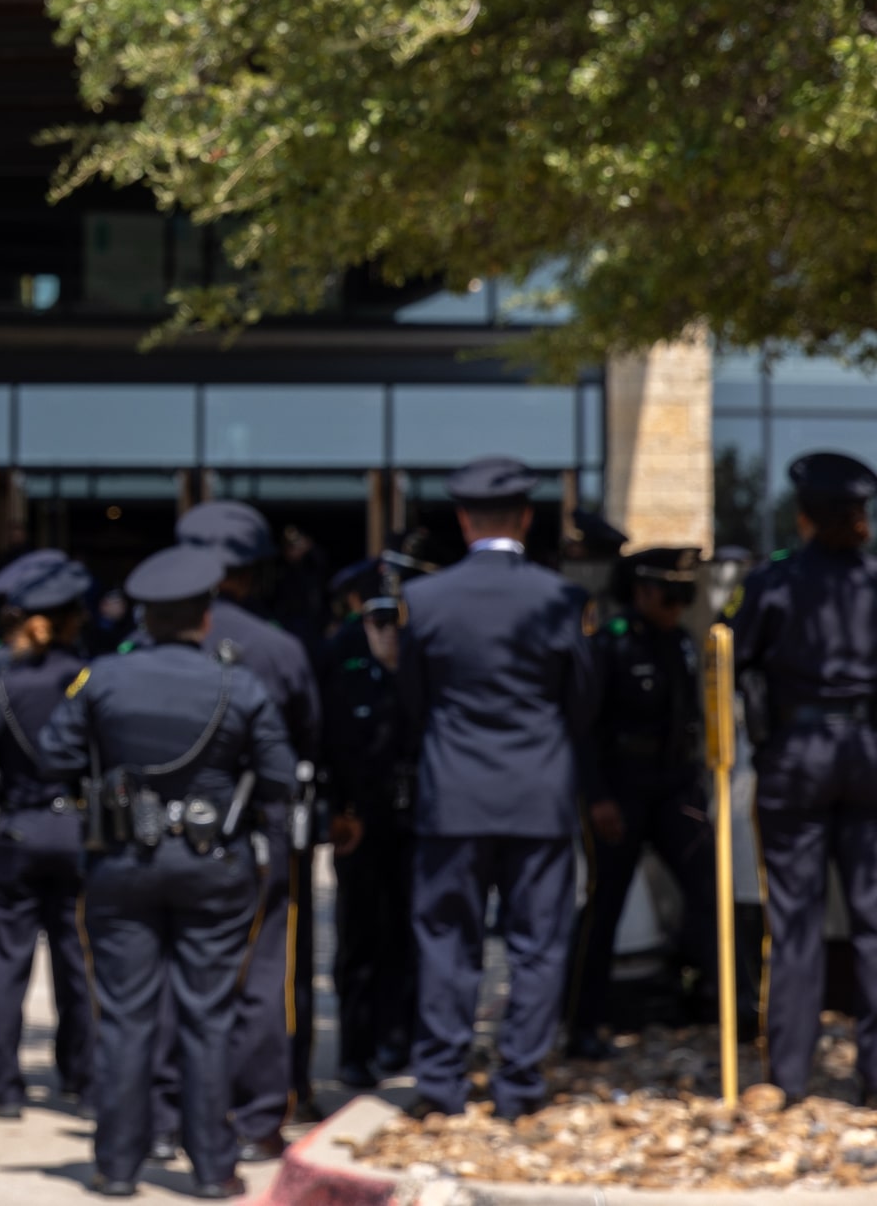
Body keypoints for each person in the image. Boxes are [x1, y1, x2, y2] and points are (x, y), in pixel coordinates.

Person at [38, 544, 296, 1200]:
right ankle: (211, 1170)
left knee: (125, 1015)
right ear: (205, 618)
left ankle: (118, 1166)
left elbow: (53, 757)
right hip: (213, 864)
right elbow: (278, 779)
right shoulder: (238, 683)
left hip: (123, 861)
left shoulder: (102, 677)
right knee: (207, 1015)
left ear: (143, 618)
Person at [397, 455, 595, 1121]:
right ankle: (518, 1085)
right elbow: (582, 701)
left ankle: (440, 1082)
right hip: (537, 794)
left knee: (447, 940)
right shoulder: (562, 598)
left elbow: (413, 703)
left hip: (453, 792)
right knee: (538, 944)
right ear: (527, 518)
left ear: (462, 520)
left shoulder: (423, 600)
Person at [171, 498, 322, 1157]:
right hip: (255, 832)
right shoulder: (280, 648)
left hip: (167, 833)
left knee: (172, 970)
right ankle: (259, 1116)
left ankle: (171, 1108)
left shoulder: (153, 644)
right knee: (263, 976)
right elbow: (311, 739)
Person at [729, 450, 877, 1102]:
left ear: (804, 516)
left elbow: (732, 657)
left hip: (796, 753)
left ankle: (788, 1075)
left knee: (794, 919)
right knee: (874, 918)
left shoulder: (775, 582)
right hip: (868, 751)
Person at [566, 545, 716, 1059]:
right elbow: (583, 729)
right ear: (642, 590)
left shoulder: (682, 641)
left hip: (675, 785)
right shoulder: (611, 643)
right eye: (668, 595)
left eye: (683, 596)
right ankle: (583, 1022)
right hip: (622, 789)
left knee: (707, 889)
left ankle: (719, 1003)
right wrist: (598, 797)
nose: (676, 607)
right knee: (604, 904)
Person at [0, 554, 95, 1117]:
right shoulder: (86, 678)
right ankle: (82, 1076)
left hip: (16, 826)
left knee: (6, 959)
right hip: (74, 826)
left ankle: (2, 1083)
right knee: (78, 960)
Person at [320, 572, 415, 1087]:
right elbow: (328, 743)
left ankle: (396, 1039)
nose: (387, 633)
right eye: (377, 622)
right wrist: (338, 810)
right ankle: (356, 1049)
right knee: (358, 937)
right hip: (360, 818)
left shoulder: (416, 667)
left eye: (393, 621)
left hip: (411, 818)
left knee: (405, 933)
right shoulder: (342, 660)